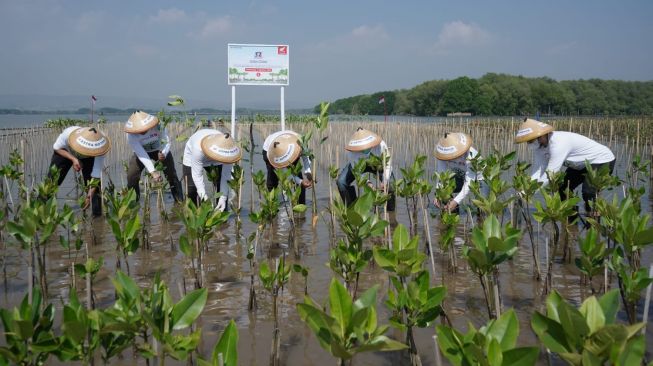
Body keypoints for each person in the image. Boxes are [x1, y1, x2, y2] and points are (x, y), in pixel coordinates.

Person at [514, 118, 615, 214]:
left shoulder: (558, 143)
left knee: (588, 192)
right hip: (580, 164)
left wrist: (527, 193)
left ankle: (593, 222)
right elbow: (537, 171)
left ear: (543, 135)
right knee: (563, 188)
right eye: (529, 141)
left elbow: (550, 175)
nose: (531, 143)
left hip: (602, 159)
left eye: (532, 140)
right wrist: (524, 189)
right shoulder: (540, 147)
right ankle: (570, 220)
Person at [48, 126, 111, 216]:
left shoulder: (100, 148)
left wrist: (89, 196)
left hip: (90, 156)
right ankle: (42, 211)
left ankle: (97, 218)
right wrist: (74, 159)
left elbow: (96, 176)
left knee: (94, 187)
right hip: (65, 152)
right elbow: (57, 148)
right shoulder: (68, 134)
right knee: (51, 181)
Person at [125, 111, 183, 202]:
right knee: (131, 176)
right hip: (142, 153)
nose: (142, 132)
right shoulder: (130, 135)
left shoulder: (159, 125)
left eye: (144, 129)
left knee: (171, 174)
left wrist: (163, 153)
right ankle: (133, 203)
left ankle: (179, 201)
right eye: (140, 130)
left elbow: (167, 141)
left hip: (160, 150)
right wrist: (153, 172)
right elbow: (141, 154)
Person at [336, 127, 395, 210]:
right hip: (359, 166)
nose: (364, 149)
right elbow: (357, 171)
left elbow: (387, 164)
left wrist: (385, 181)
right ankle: (352, 208)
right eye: (361, 148)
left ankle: (390, 211)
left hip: (377, 164)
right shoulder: (352, 151)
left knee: (391, 184)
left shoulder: (381, 144)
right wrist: (367, 182)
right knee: (341, 182)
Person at [182, 129, 241, 211]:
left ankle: (222, 215)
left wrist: (223, 198)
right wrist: (204, 198)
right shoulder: (197, 149)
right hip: (193, 155)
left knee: (221, 187)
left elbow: (226, 176)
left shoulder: (229, 152)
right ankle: (195, 215)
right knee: (191, 190)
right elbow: (197, 175)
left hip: (219, 159)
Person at [434, 132, 484, 212]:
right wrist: (438, 194)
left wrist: (456, 201)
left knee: (482, 208)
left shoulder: (471, 155)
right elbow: (441, 175)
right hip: (462, 175)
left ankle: (479, 217)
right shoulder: (442, 154)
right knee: (444, 190)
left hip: (481, 177)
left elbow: (469, 182)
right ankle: (452, 213)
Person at [263, 130, 313, 204]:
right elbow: (286, 173)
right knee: (272, 181)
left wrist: (308, 172)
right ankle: (272, 208)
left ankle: (301, 206)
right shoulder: (275, 155)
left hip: (287, 145)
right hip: (269, 149)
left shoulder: (300, 141)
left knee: (298, 175)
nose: (299, 156)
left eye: (299, 154)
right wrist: (300, 181)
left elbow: (305, 156)